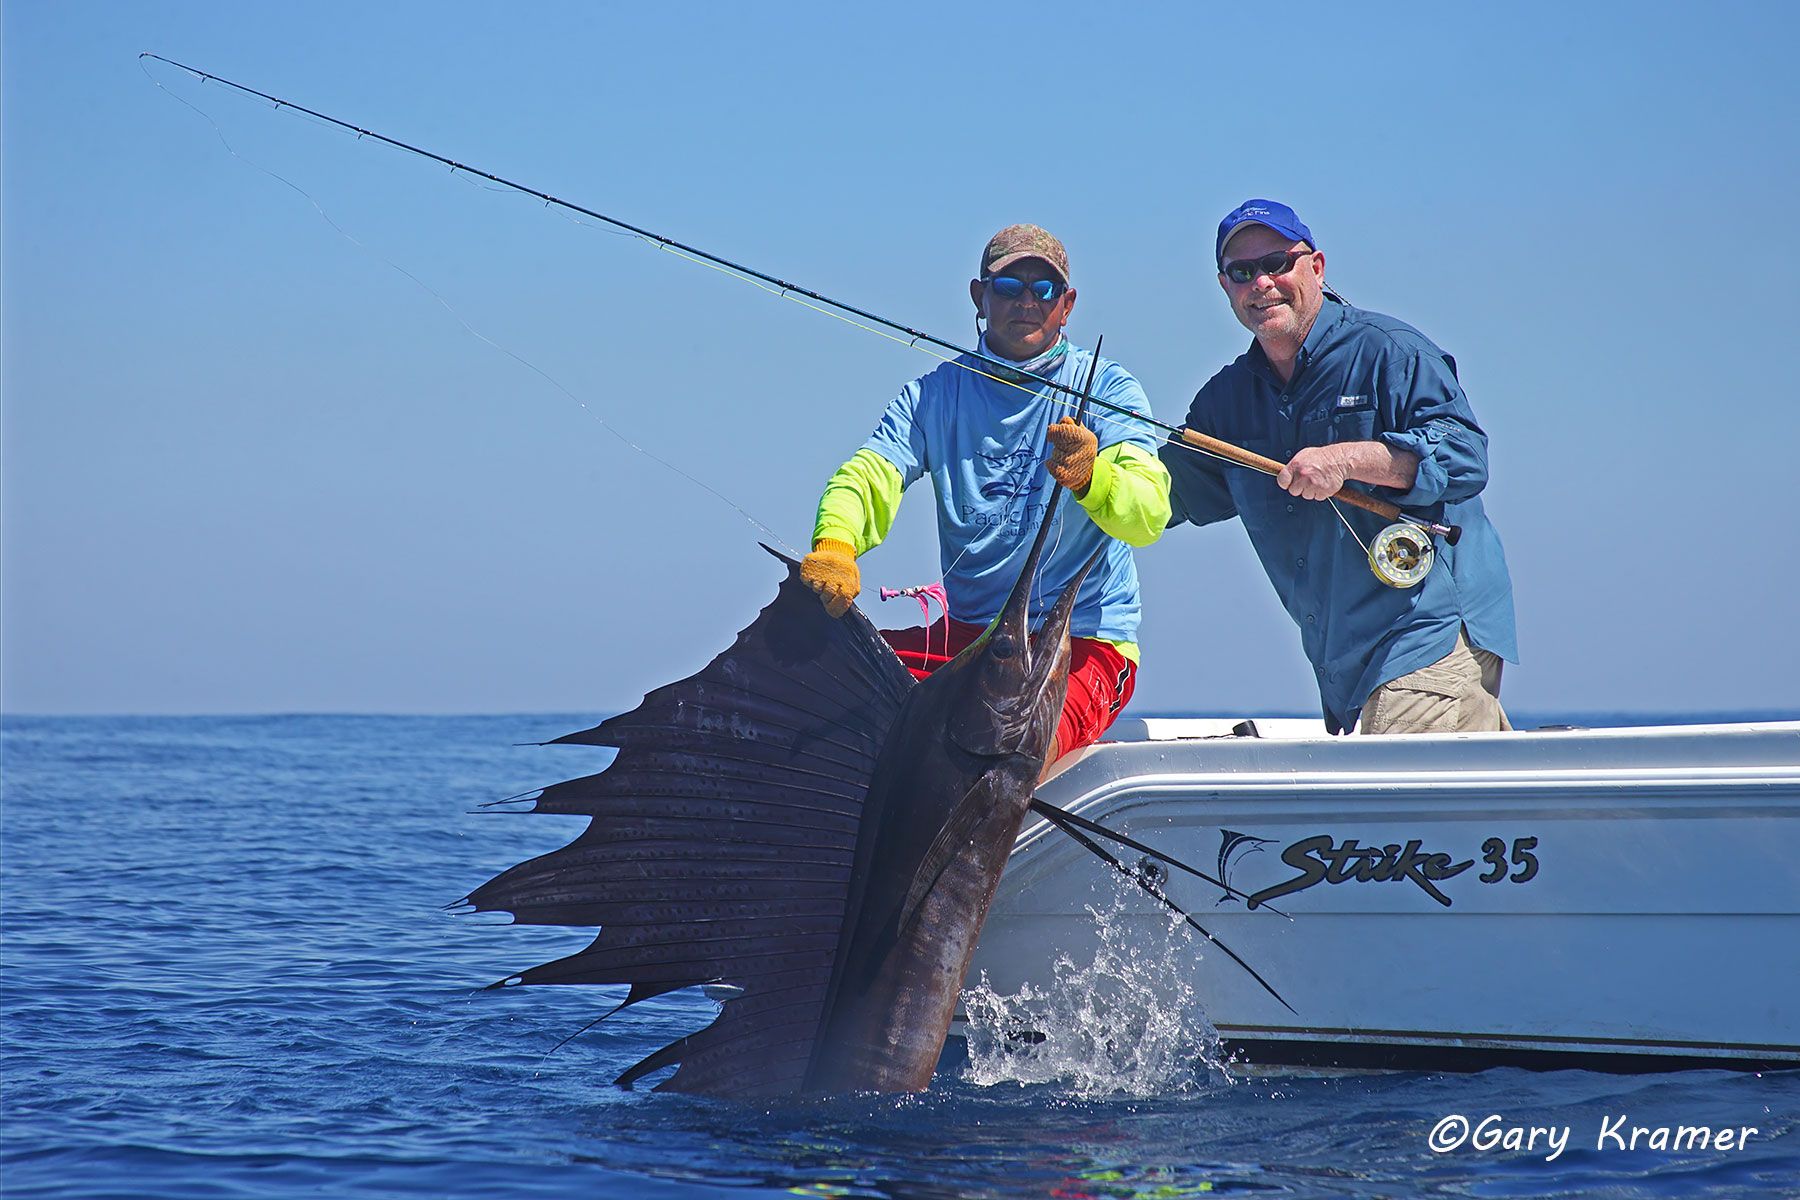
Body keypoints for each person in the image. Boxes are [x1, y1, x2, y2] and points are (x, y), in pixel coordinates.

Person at [799, 224, 1171, 762]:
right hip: (974, 642)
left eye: (1043, 289)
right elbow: (869, 473)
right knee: (826, 694)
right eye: (1008, 286)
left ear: (1066, 305)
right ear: (980, 296)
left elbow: (1149, 512)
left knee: (1009, 750)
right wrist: (837, 542)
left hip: (1079, 646)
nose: (1026, 300)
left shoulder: (1108, 389)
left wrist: (1095, 479)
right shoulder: (932, 395)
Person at [1160, 200, 1516, 735]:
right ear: (1226, 287)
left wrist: (1345, 459)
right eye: (1243, 271)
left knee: (1388, 809)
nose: (1262, 282)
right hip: (1350, 667)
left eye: (1277, 263)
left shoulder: (1390, 353)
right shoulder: (1224, 403)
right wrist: (1087, 475)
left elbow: (1464, 455)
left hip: (1429, 632)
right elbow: (1167, 495)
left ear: (1317, 267)